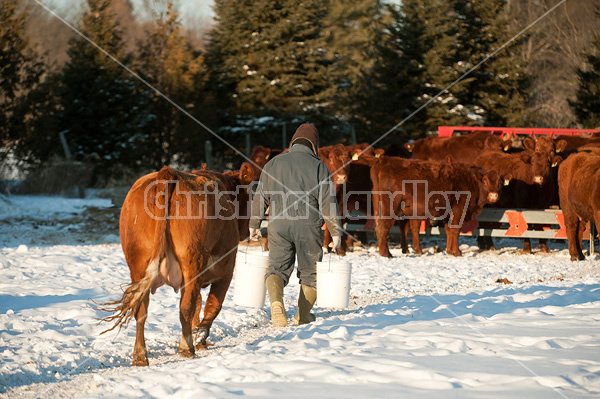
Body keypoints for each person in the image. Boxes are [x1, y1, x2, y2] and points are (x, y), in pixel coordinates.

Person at [249, 123, 342, 327]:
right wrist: (336, 232)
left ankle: (276, 303)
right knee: (311, 272)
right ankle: (303, 315)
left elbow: (261, 196)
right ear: (314, 144)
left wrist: (254, 223)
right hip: (308, 224)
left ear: (293, 141)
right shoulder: (319, 166)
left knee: (276, 267)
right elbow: (328, 203)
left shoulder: (273, 164)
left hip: (278, 223)